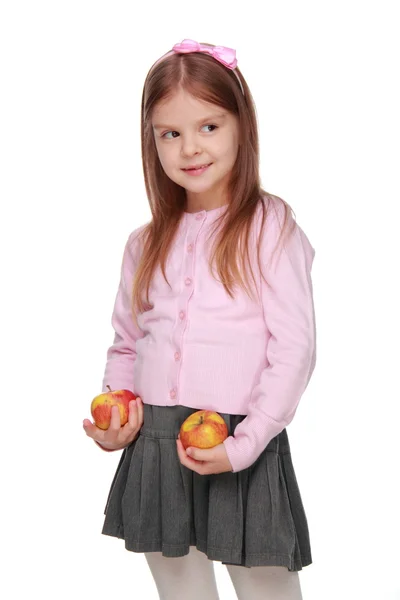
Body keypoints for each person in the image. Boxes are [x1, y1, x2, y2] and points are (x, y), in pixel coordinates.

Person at [83, 38, 317, 600]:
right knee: (181, 590)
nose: (190, 147)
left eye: (209, 127)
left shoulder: (269, 225)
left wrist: (245, 443)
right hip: (160, 441)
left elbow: (294, 349)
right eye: (171, 133)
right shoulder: (144, 243)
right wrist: (119, 410)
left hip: (240, 438)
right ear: (152, 141)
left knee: (267, 590)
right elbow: (127, 342)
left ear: (242, 126)